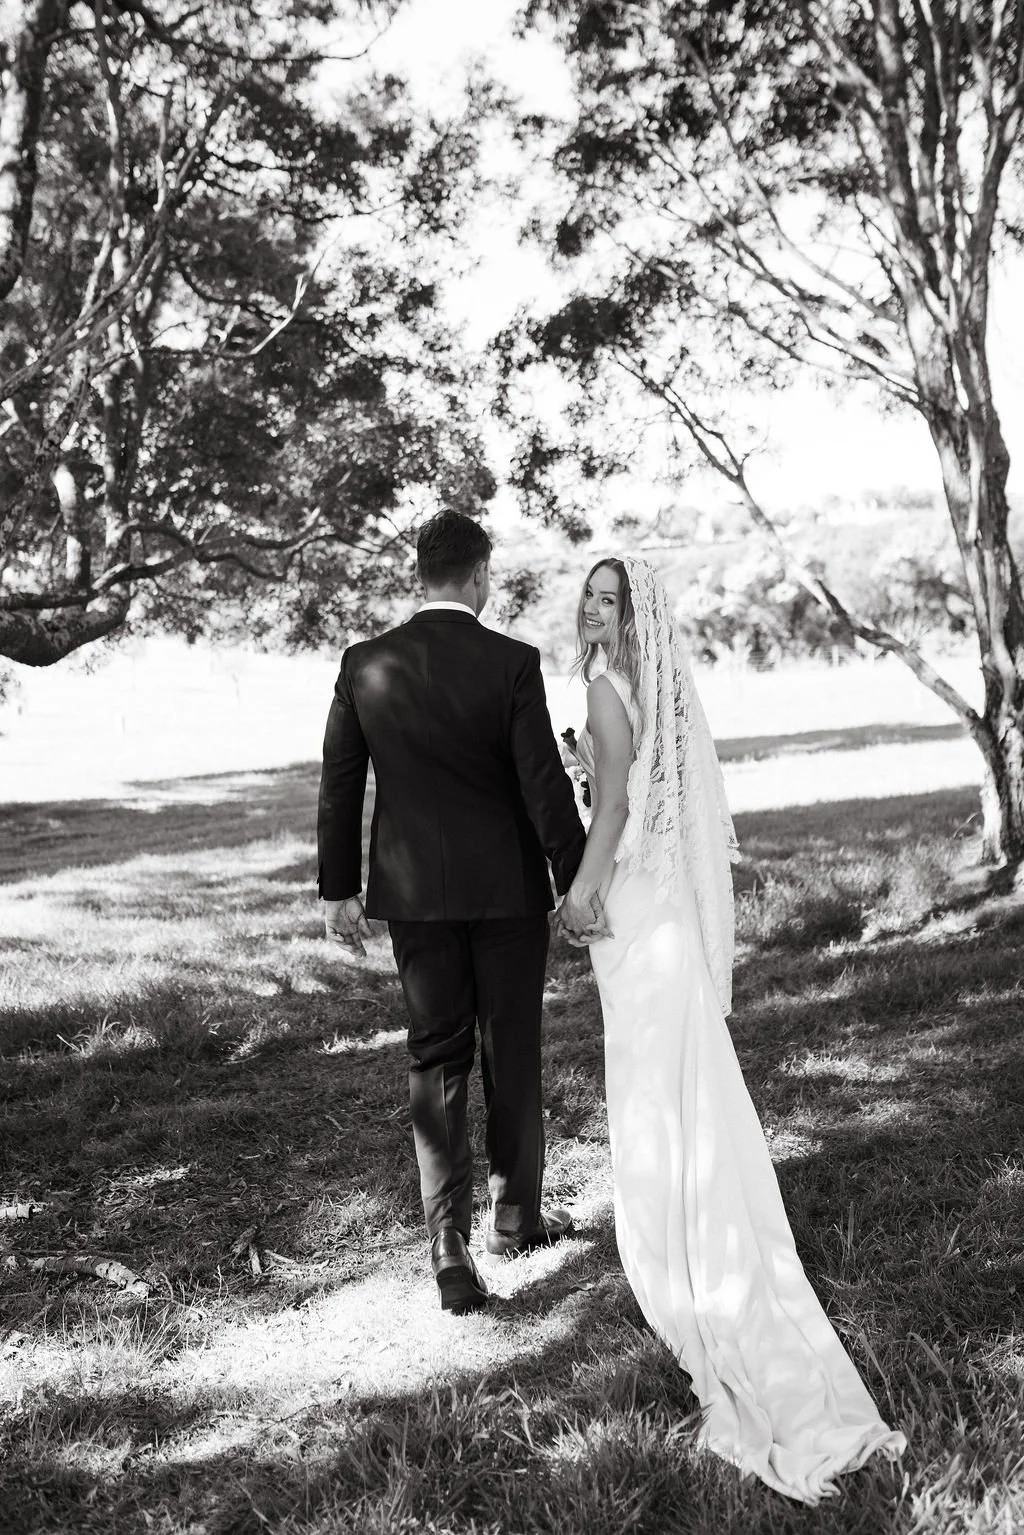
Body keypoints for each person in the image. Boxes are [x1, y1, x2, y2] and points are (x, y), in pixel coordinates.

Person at [558, 554, 907, 1504]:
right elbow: (634, 790)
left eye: (609, 598)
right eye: (589, 594)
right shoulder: (650, 688)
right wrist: (595, 783)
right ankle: (706, 1230)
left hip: (633, 907)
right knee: (685, 1084)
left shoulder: (602, 682)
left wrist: (582, 887)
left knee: (651, 1086)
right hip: (661, 902)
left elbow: (620, 805)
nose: (593, 608)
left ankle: (683, 1260)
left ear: (635, 616)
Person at [316, 510, 599, 1315]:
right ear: (480, 576)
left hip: (414, 900)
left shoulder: (364, 664)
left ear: (421, 573)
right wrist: (577, 877)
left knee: (435, 1056)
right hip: (506, 892)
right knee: (512, 1048)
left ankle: (449, 1246)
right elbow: (542, 780)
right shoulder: (510, 661)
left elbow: (341, 781)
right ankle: (516, 1219)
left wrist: (339, 886)